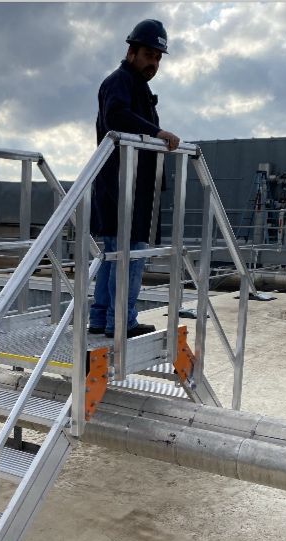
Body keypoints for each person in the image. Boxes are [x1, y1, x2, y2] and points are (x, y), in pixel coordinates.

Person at [89, 19, 181, 339]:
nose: (153, 63)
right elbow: (116, 115)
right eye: (148, 55)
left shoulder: (133, 85)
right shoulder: (120, 82)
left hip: (121, 184)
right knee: (129, 255)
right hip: (125, 186)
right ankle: (122, 321)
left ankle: (101, 319)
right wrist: (158, 133)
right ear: (131, 52)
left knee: (114, 255)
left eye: (157, 58)